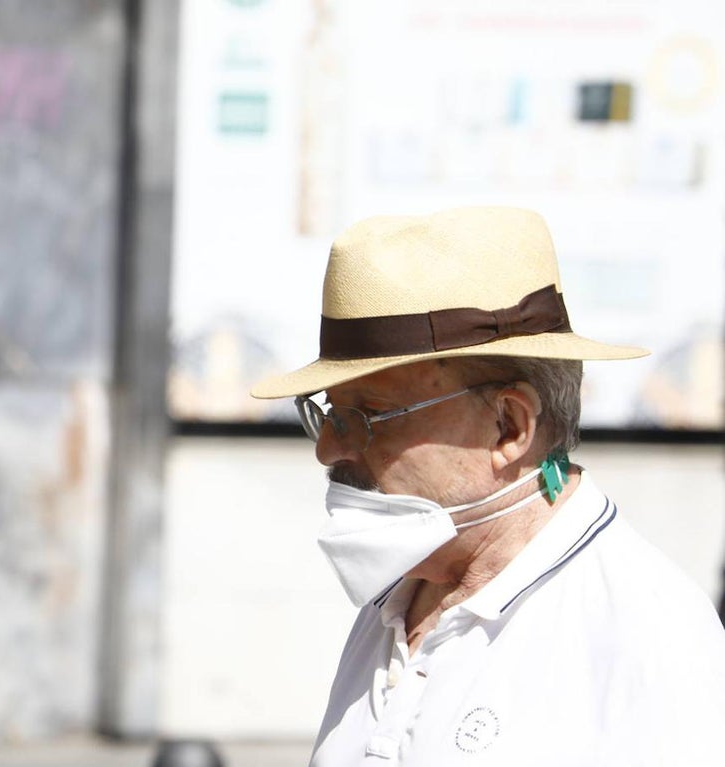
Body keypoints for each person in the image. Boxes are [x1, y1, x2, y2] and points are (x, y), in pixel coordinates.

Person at [250, 207, 725, 766]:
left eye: (368, 415)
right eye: (329, 413)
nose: (328, 448)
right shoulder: (399, 597)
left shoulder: (644, 630)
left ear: (509, 427)